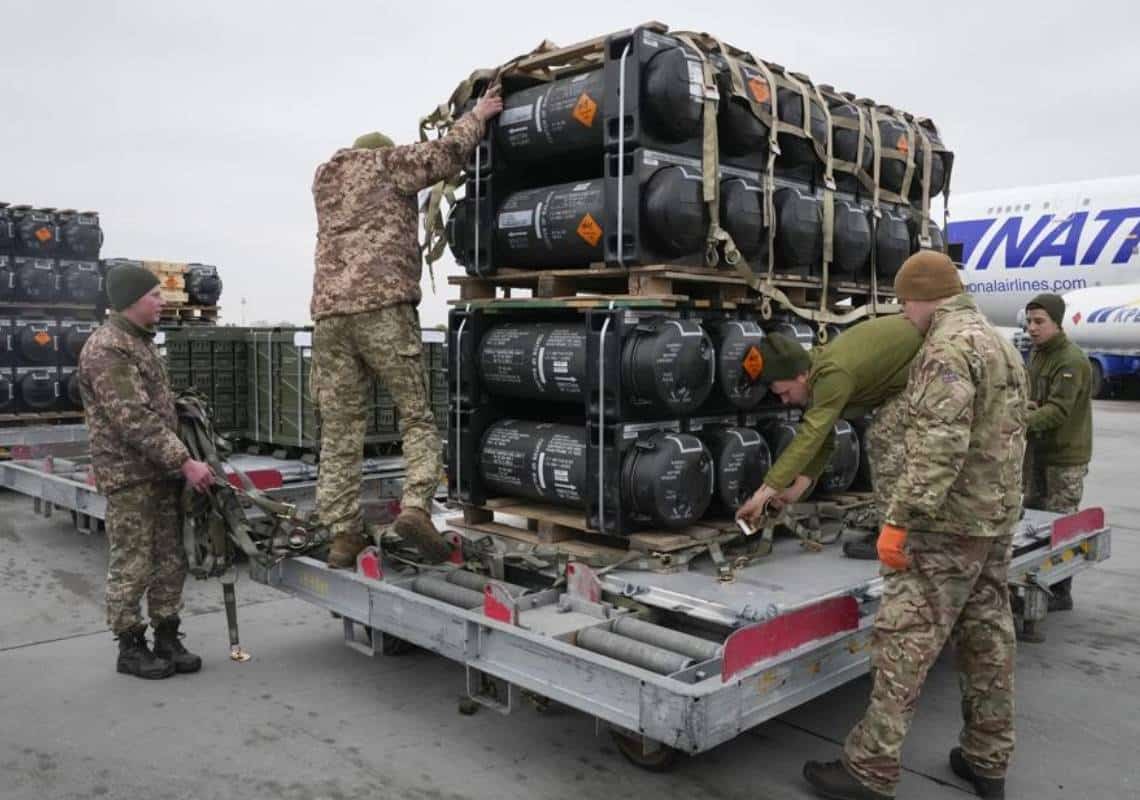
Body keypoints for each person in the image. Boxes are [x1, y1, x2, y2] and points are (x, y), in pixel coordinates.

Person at [803, 251, 1028, 800]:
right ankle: (987, 760)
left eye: (905, 304)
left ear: (924, 297)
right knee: (988, 639)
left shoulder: (946, 347)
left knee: (904, 643)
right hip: (994, 519)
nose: (905, 315)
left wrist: (900, 519)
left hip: (945, 526)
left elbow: (939, 446)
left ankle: (869, 769)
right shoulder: (1000, 343)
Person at [310, 86, 503, 568]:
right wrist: (478, 116)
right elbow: (445, 153)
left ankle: (342, 535)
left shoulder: (325, 181)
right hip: (383, 309)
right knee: (415, 415)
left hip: (329, 318)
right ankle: (416, 507)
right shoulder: (387, 164)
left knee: (340, 430)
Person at [78, 264, 215, 679]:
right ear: (131, 300)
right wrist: (185, 461)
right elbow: (133, 418)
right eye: (155, 295)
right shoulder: (108, 349)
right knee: (133, 562)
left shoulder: (139, 342)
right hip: (131, 476)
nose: (162, 302)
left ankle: (167, 635)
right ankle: (131, 645)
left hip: (159, 472)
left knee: (170, 559)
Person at [735, 315, 923, 559]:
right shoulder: (816, 372)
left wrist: (762, 495)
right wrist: (794, 491)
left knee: (884, 439)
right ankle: (896, 527)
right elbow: (823, 438)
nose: (785, 400)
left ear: (800, 376)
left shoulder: (832, 375)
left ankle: (898, 537)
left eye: (785, 392)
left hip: (930, 363)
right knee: (884, 433)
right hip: (911, 371)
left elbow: (810, 437)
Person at [1022, 293, 1092, 611]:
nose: (1032, 328)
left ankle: (1061, 591)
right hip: (1039, 452)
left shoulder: (1070, 360)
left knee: (1060, 526)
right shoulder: (1039, 354)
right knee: (1033, 522)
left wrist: (1017, 422)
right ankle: (1036, 584)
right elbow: (1037, 400)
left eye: (1039, 322)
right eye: (1029, 321)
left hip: (1065, 458)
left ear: (1057, 323)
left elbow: (1058, 410)